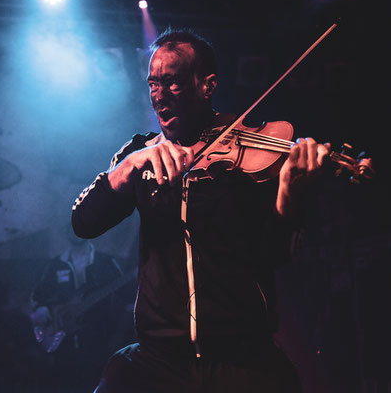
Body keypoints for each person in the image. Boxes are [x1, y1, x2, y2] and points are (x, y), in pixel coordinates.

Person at [72, 29, 339, 393]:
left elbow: (276, 253)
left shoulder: (250, 158)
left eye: (174, 84)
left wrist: (289, 191)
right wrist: (130, 165)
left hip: (242, 358)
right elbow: (84, 222)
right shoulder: (139, 154)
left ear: (207, 85)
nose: (160, 97)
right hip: (158, 357)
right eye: (153, 84)